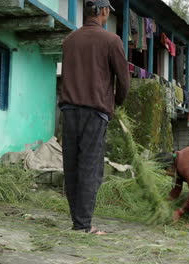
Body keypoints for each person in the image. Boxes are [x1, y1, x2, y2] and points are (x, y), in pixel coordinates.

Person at [59, 0, 130, 235]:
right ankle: (83, 225)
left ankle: (77, 222)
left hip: (68, 112)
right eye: (108, 10)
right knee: (90, 168)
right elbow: (124, 80)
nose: (108, 13)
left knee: (72, 167)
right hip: (95, 113)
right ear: (102, 11)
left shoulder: (70, 40)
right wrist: (116, 102)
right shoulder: (111, 40)